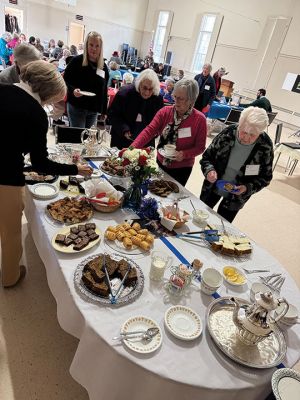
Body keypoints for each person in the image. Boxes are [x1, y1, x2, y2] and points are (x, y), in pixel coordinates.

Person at [0, 60, 92, 288]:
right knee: (10, 231)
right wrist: (75, 169)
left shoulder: (3, 88)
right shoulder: (36, 113)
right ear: (48, 93)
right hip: (5, 175)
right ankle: (10, 277)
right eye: (54, 100)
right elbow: (40, 164)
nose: (53, 104)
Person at [200, 106, 273, 222]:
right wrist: (209, 170)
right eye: (244, 132)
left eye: (253, 135)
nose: (247, 138)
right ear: (239, 125)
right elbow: (206, 157)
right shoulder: (228, 133)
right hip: (212, 186)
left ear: (260, 132)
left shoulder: (265, 146)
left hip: (236, 197)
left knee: (221, 224)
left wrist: (247, 188)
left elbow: (266, 177)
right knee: (201, 215)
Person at [132, 79, 207, 186]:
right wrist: (132, 147)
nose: (176, 101)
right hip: (160, 162)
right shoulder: (165, 112)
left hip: (182, 168)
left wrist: (184, 154)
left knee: (172, 198)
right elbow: (149, 131)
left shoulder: (200, 120)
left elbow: (200, 147)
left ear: (191, 100)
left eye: (180, 98)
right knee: (155, 190)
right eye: (175, 97)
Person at [108, 69, 163, 149]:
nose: (147, 92)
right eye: (144, 88)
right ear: (139, 84)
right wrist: (124, 129)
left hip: (146, 142)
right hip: (122, 139)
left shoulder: (157, 98)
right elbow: (112, 115)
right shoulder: (124, 93)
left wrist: (155, 132)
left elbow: (160, 121)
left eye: (150, 89)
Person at [63, 31, 108, 128]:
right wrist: (73, 90)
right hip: (77, 106)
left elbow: (104, 90)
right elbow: (65, 80)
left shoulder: (103, 67)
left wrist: (104, 111)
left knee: (87, 138)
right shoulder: (76, 61)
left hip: (93, 109)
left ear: (101, 48)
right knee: (78, 138)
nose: (94, 49)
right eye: (91, 45)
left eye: (97, 46)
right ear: (86, 45)